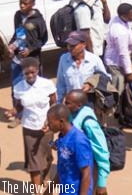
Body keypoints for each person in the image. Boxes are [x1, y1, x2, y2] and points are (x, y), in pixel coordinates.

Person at [6, 57, 56, 189]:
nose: (30, 75)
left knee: (47, 157)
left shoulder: (47, 84)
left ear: (38, 70)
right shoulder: (18, 87)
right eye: (26, 73)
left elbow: (54, 103)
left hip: (47, 126)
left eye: (33, 72)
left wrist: (49, 122)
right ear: (22, 73)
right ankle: (37, 190)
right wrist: (13, 111)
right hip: (29, 127)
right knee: (33, 162)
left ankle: (46, 175)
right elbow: (19, 106)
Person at [65, 90, 111, 195]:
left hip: (90, 169)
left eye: (68, 103)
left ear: (79, 105)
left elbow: (102, 151)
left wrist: (101, 183)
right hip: (75, 167)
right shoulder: (72, 114)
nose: (64, 105)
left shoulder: (88, 122)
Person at [47, 104, 93, 195]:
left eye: (50, 123)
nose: (48, 125)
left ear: (61, 122)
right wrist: (50, 189)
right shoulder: (62, 138)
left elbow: (86, 173)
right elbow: (63, 167)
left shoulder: (78, 141)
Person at [7, 0, 48, 89]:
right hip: (18, 58)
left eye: (25, 3)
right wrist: (12, 45)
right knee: (17, 85)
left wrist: (30, 49)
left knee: (35, 86)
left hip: (32, 58)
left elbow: (43, 39)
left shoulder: (38, 20)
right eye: (20, 3)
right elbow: (19, 34)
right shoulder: (18, 15)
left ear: (33, 4)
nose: (22, 5)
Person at [56, 32, 107, 104]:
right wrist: (60, 102)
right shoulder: (64, 59)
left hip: (90, 101)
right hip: (71, 103)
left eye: (73, 45)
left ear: (83, 45)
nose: (70, 48)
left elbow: (106, 78)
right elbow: (60, 84)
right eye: (68, 45)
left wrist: (91, 84)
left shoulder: (94, 59)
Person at [103, 3, 132, 94]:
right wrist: (129, 72)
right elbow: (123, 53)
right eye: (131, 14)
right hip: (115, 64)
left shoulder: (118, 20)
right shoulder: (120, 32)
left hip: (120, 62)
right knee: (118, 92)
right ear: (124, 16)